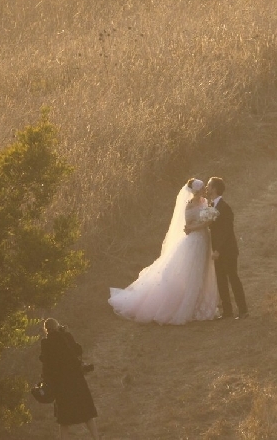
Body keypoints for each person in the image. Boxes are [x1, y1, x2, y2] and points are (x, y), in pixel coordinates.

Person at [108, 178, 219, 325]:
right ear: (196, 191)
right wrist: (204, 224)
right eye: (202, 188)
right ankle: (188, 306)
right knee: (192, 273)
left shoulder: (204, 202)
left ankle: (200, 303)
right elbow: (188, 226)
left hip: (205, 240)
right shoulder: (190, 206)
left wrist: (207, 221)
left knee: (203, 271)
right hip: (195, 241)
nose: (204, 190)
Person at [39, 318, 100, 440]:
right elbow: (78, 350)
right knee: (87, 413)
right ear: (57, 327)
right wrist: (67, 333)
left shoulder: (45, 344)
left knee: (64, 420)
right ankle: (96, 438)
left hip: (60, 386)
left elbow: (45, 364)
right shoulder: (65, 337)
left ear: (46, 330)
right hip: (76, 381)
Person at [206, 177, 248, 320]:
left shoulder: (225, 208)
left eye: (209, 185)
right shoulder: (211, 206)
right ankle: (227, 312)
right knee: (221, 280)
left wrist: (218, 250)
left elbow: (226, 231)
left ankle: (243, 310)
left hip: (227, 251)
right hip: (217, 251)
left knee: (233, 278)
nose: (207, 187)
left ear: (215, 188)